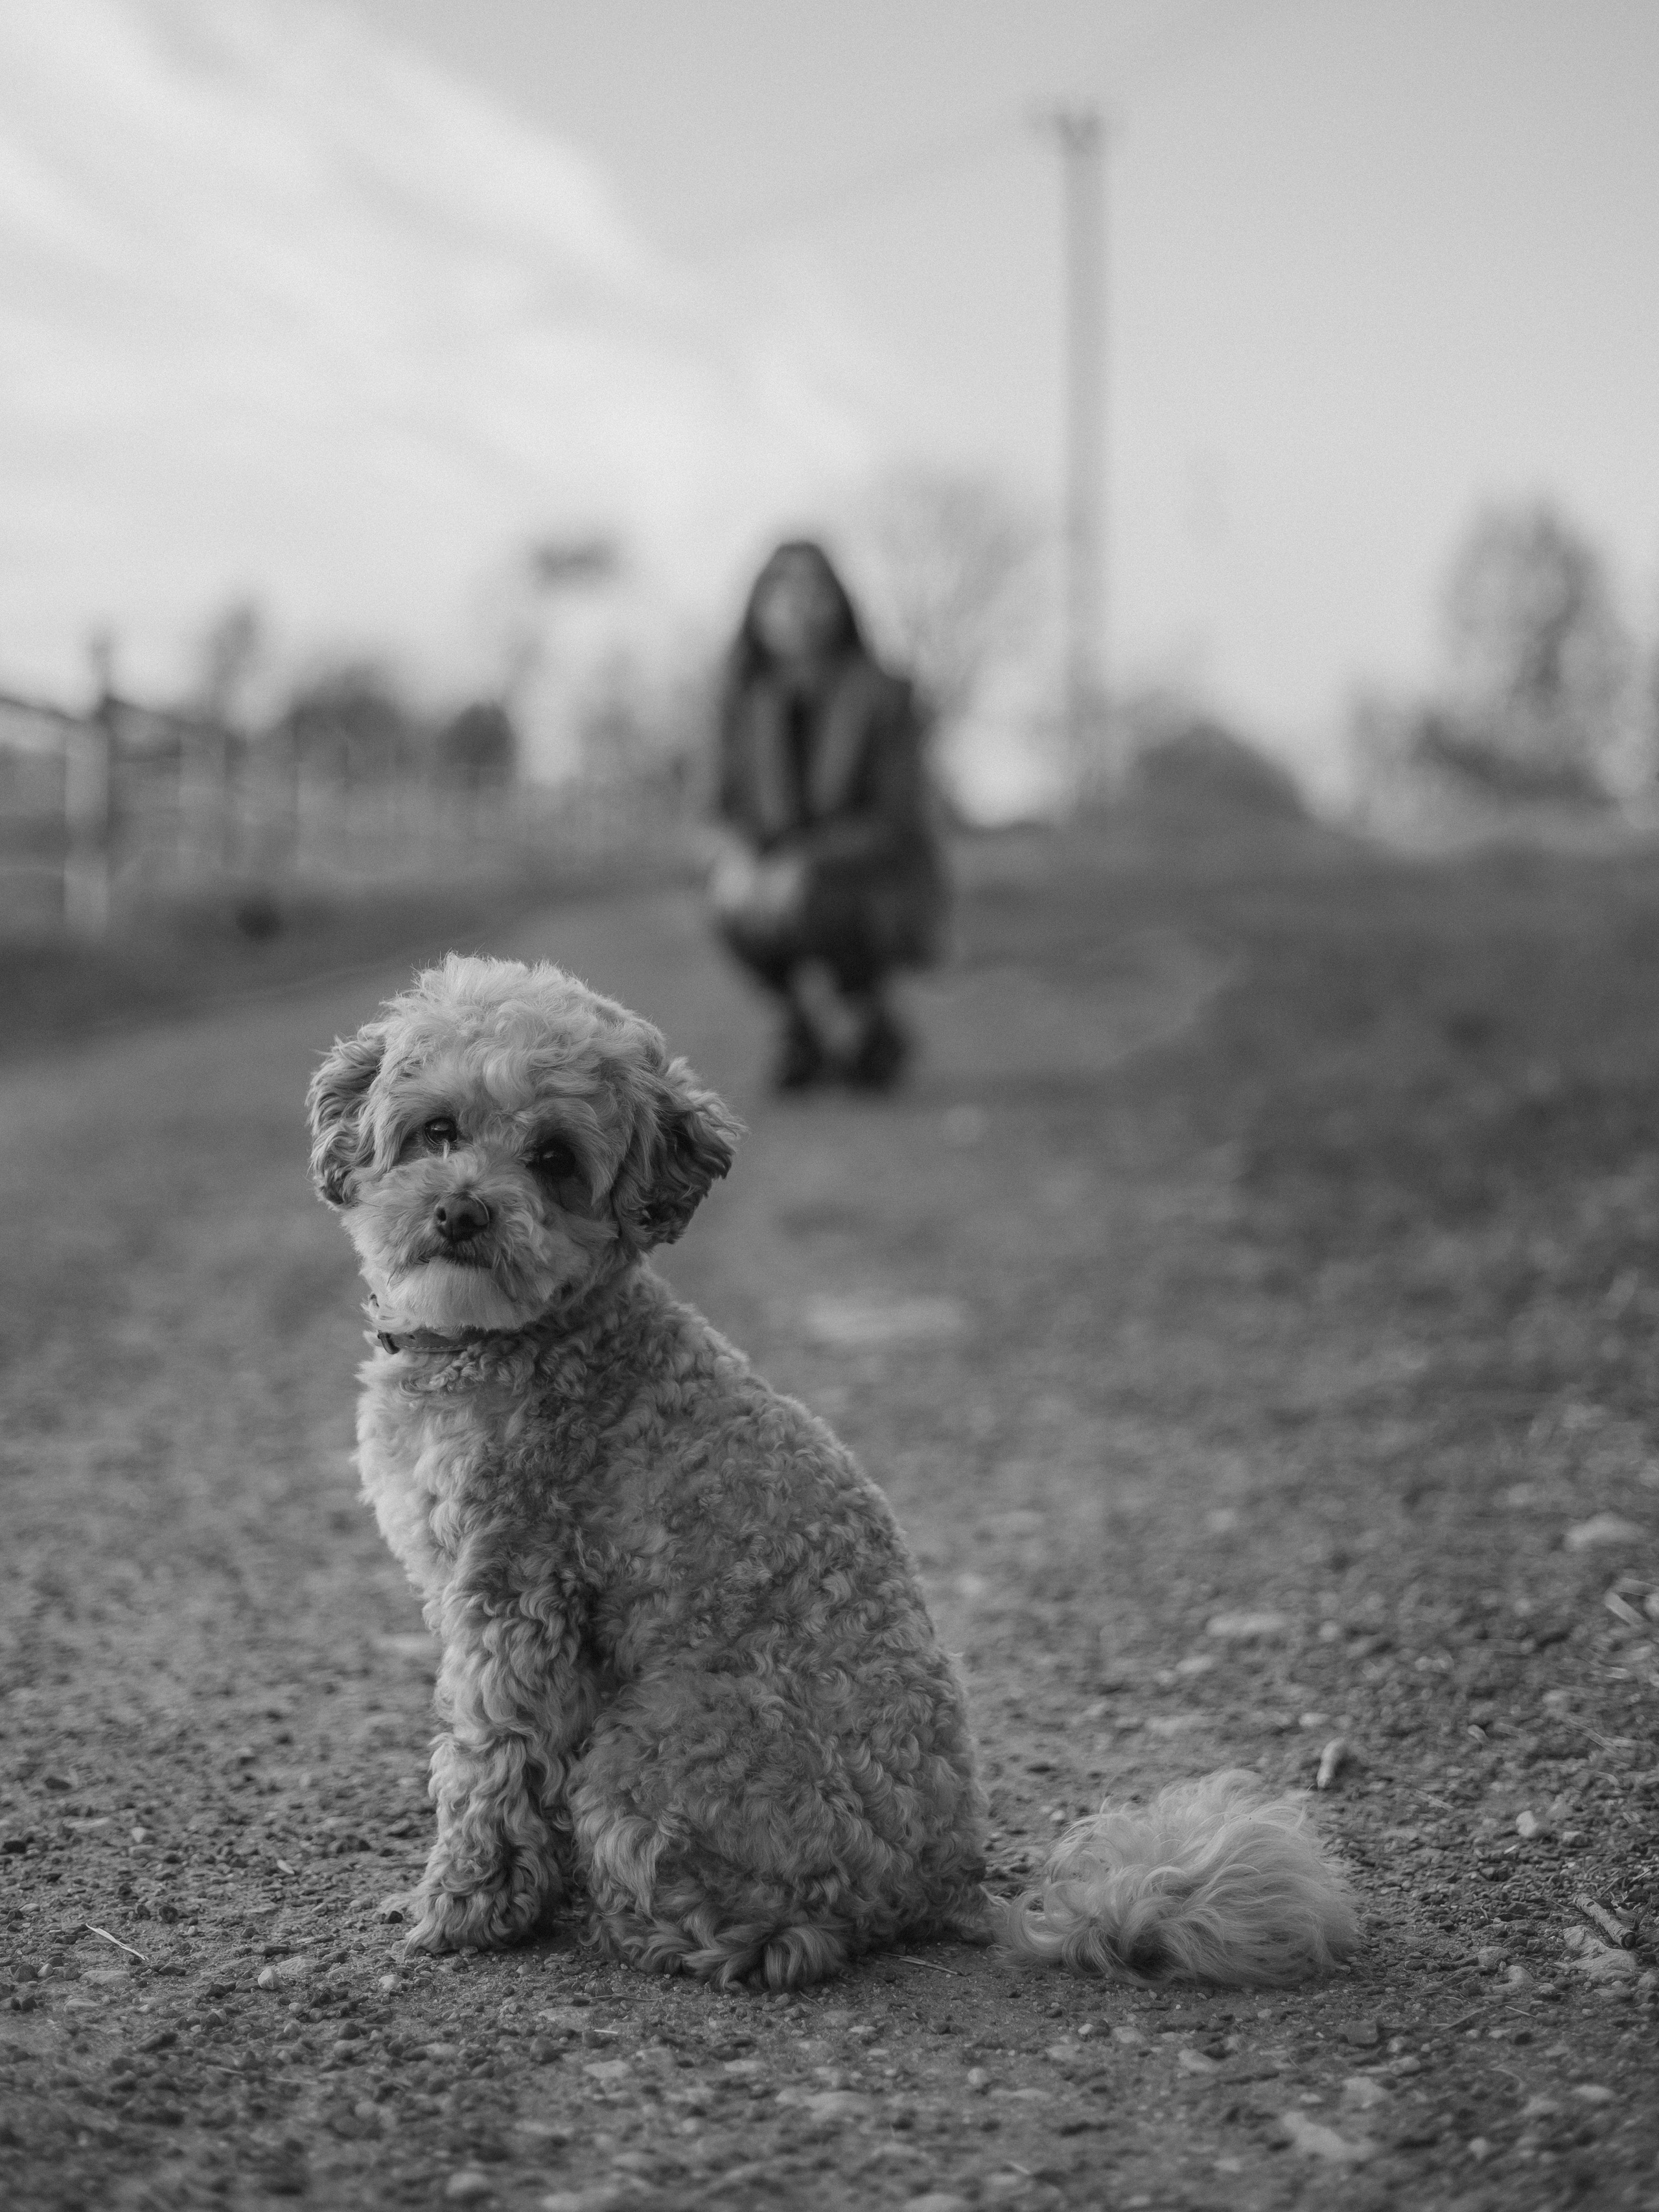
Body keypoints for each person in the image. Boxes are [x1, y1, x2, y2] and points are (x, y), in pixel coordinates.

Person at [711, 540, 947, 1092]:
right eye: (781, 589)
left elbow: (895, 823)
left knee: (811, 900)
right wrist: (736, 858)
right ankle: (821, 1030)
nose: (798, 604)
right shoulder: (741, 700)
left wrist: (804, 862)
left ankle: (851, 1020)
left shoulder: (884, 695)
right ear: (757, 606)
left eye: (814, 587)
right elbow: (709, 811)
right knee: (729, 899)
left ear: (840, 602)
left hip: (869, 884)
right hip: (770, 881)